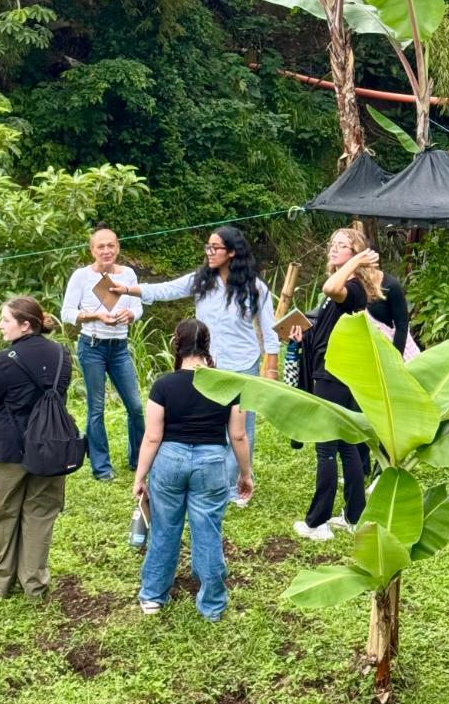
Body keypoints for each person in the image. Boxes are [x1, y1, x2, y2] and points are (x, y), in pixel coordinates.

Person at [109, 226, 278, 502]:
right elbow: (166, 289)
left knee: (241, 429)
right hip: (209, 365)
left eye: (215, 248)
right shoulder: (201, 281)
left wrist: (271, 369)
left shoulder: (255, 287)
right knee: (211, 423)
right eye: (207, 247)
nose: (209, 252)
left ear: (232, 252)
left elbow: (270, 331)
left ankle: (235, 488)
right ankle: (213, 480)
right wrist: (128, 289)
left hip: (243, 364)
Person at [133, 319, 253, 620]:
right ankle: (212, 605)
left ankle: (152, 597)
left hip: (169, 460)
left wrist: (140, 476)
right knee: (208, 531)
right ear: (207, 345)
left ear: (177, 343)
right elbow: (238, 435)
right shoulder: (228, 385)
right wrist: (245, 474)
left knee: (164, 529)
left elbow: (152, 436)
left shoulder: (163, 385)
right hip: (211, 463)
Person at [290, 228, 383, 542]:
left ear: (354, 255)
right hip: (332, 371)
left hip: (333, 375)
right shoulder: (345, 291)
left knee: (326, 449)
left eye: (342, 247)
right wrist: (304, 334)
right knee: (346, 446)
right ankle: (355, 516)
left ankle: (317, 523)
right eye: (333, 245)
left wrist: (355, 261)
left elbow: (331, 286)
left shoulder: (352, 290)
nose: (333, 250)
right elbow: (326, 329)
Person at [0, 296, 72, 602]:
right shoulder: (62, 354)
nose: (0, 325)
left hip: (8, 449)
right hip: (51, 447)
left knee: (2, 513)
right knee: (40, 513)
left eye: (5, 320)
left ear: (25, 325)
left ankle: (3, 584)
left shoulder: (5, 361)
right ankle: (34, 585)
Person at [60, 225, 145, 481]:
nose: (106, 251)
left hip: (119, 347)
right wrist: (96, 315)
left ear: (118, 247)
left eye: (111, 245)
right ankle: (102, 468)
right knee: (96, 408)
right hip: (92, 346)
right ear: (92, 250)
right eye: (101, 246)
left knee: (136, 406)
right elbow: (67, 313)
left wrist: (130, 314)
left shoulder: (128, 274)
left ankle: (139, 459)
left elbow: (138, 307)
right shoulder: (81, 276)